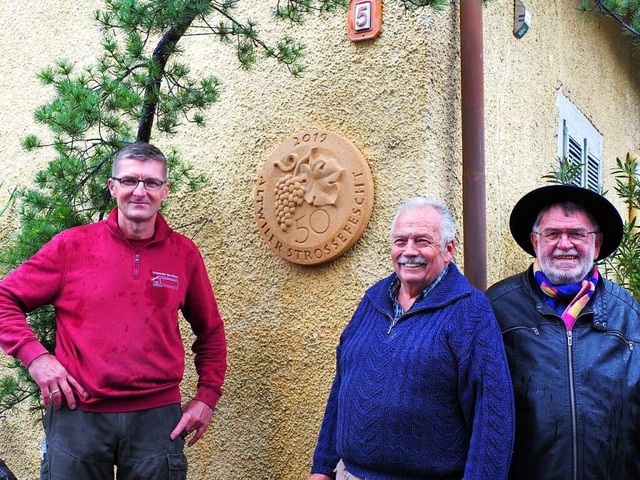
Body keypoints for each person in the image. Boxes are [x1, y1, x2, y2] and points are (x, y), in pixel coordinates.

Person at [0, 142, 227, 479]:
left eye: (151, 183)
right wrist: (36, 358)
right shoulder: (72, 246)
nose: (140, 191)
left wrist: (207, 396)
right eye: (129, 181)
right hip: (78, 418)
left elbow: (210, 331)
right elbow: (5, 298)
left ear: (165, 190)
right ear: (112, 187)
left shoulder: (183, 254)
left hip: (156, 421)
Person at [309, 197, 514, 480]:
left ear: (448, 249)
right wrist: (322, 466)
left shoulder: (470, 311)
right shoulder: (373, 300)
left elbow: (493, 416)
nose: (409, 251)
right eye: (400, 241)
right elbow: (342, 387)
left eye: (422, 241)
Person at [486, 184, 640, 479]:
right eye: (553, 234)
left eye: (577, 234)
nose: (564, 244)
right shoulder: (497, 308)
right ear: (535, 241)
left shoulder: (629, 315)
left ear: (596, 245)